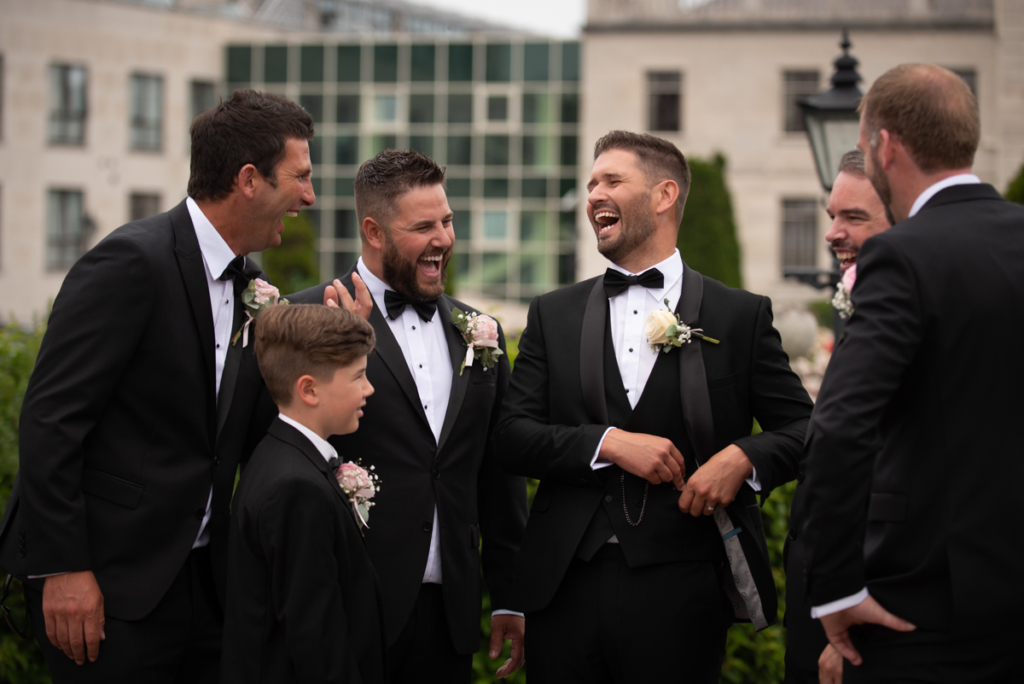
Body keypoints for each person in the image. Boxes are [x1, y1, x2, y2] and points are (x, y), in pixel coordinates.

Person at [0, 90, 315, 682]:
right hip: (109, 589)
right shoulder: (129, 263)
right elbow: (51, 420)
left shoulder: (253, 282)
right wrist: (65, 569)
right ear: (249, 179)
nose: (309, 196)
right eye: (299, 177)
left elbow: (239, 434)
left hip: (205, 588)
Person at [494, 130, 814, 683]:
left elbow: (806, 429)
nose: (594, 193)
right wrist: (606, 443)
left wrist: (741, 457)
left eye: (612, 180)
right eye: (591, 183)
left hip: (684, 584)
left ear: (664, 195)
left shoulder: (740, 316)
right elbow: (511, 435)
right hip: (564, 584)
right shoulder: (553, 313)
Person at [799, 63, 1024, 682]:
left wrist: (838, 587)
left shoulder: (902, 254)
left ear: (884, 144)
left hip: (926, 599)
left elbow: (841, 428)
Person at [289, 149, 528, 682]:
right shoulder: (301, 319)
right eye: (423, 226)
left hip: (450, 617)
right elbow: (279, 460)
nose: (443, 238)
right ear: (374, 232)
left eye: (447, 220)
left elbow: (498, 476)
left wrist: (511, 597)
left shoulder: (480, 333)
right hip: (342, 607)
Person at [221, 304, 386, 684]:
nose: (369, 388)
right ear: (309, 389)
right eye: (358, 376)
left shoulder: (277, 455)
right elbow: (316, 636)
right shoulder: (295, 488)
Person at [784, 148, 891, 684]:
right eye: (831, 217)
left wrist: (844, 618)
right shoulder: (863, 304)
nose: (832, 234)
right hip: (817, 601)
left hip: (857, 616)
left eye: (854, 217)